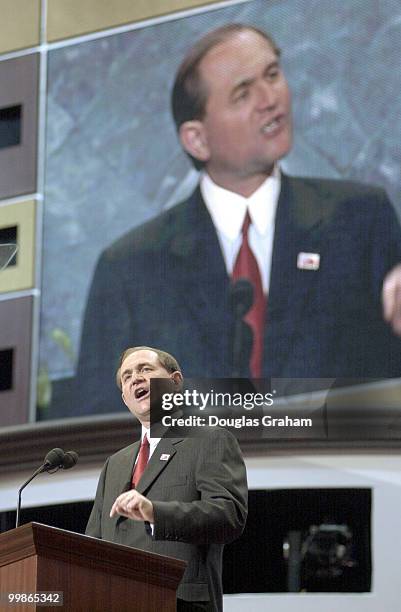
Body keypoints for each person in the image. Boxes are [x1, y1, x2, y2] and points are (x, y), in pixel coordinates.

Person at [75, 24, 401, 415]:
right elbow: (99, 424)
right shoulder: (131, 269)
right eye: (242, 93)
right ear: (198, 139)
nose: (270, 99)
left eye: (273, 75)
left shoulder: (359, 220)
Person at [86, 345, 248, 612]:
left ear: (174, 382)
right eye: (126, 377)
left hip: (180, 602)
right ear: (125, 398)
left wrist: (156, 513)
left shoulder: (209, 440)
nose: (135, 378)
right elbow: (93, 545)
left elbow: (229, 516)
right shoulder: (114, 465)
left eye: (145, 370)